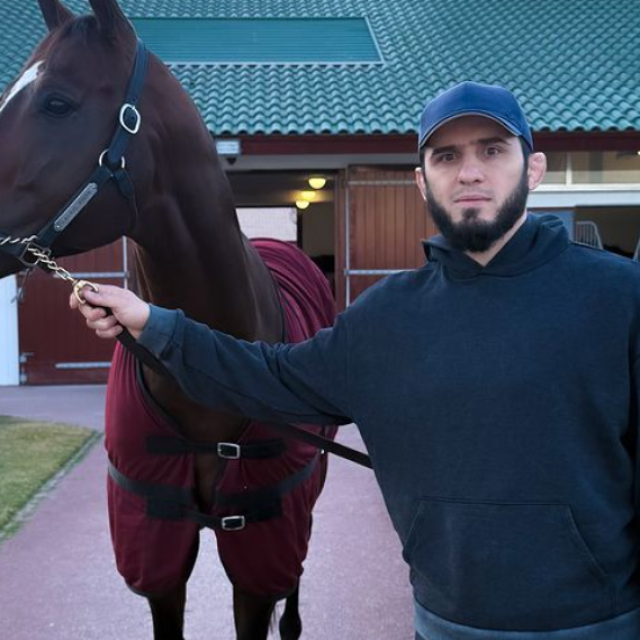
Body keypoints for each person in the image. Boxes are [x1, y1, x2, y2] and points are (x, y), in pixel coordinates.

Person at [72, 81, 640, 640]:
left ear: (533, 169)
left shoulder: (620, 299)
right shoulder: (387, 318)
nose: (470, 172)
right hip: (444, 622)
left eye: (493, 151)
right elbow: (268, 375)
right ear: (423, 182)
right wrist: (154, 324)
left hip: (600, 622)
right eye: (447, 157)